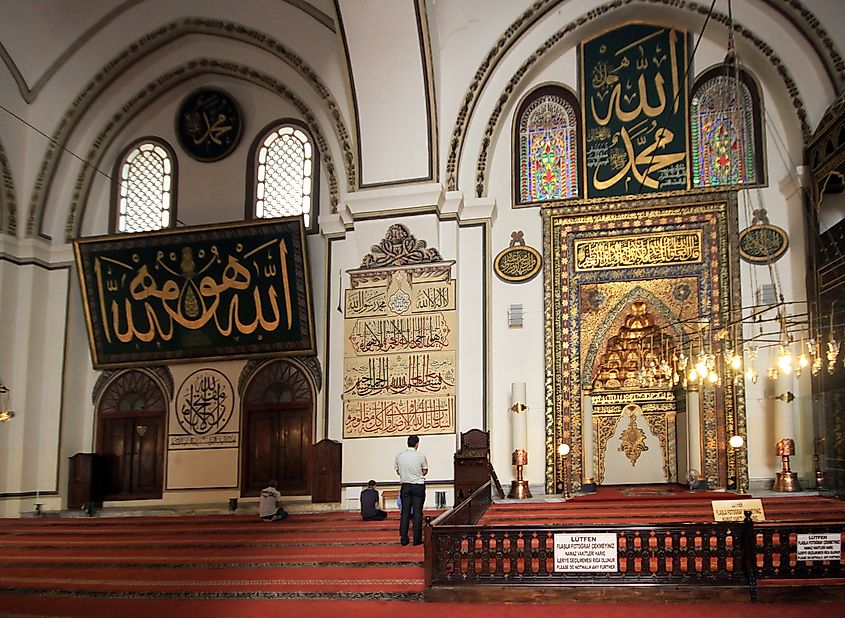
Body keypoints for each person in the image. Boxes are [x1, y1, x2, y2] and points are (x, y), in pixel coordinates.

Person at [394, 434, 427, 545]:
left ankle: (404, 539)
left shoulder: (399, 456)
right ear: (417, 444)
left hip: (405, 486)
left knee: (405, 513)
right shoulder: (421, 456)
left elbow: (398, 471)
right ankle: (417, 540)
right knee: (417, 513)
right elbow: (425, 471)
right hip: (418, 486)